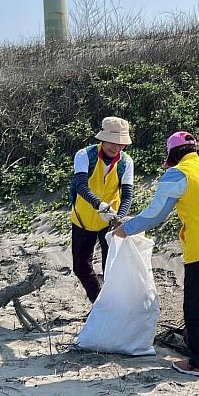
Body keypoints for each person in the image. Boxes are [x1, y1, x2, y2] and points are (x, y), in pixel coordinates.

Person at [114, 131, 199, 378]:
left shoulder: (178, 173)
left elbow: (156, 214)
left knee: (194, 308)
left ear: (172, 155)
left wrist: (126, 229)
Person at [69, 116, 134, 303]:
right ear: (102, 139)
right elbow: (80, 186)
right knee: (80, 267)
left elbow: (128, 194)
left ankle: (109, 306)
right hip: (83, 219)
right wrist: (100, 205)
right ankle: (98, 302)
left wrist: (118, 218)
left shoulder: (126, 162)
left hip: (110, 222)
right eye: (112, 142)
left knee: (111, 269)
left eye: (120, 143)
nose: (115, 147)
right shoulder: (84, 155)